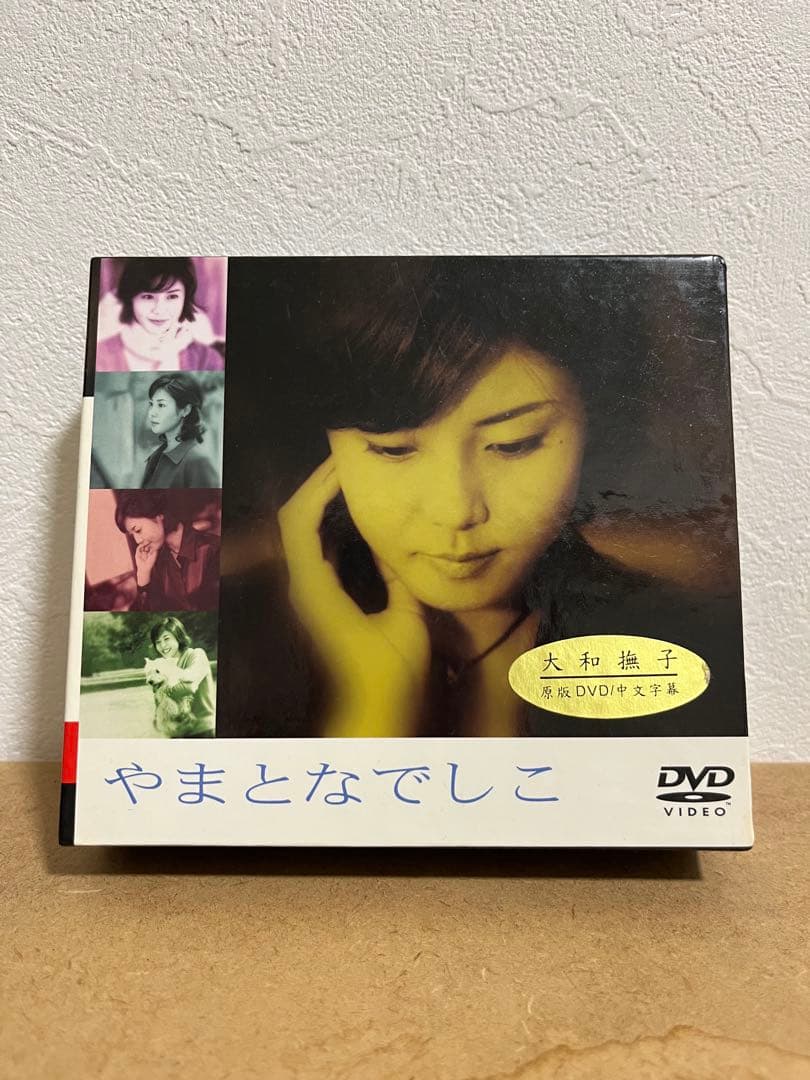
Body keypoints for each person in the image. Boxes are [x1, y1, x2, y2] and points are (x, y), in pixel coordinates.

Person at [216, 257, 747, 740]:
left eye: (514, 444)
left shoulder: (685, 648)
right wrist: (373, 706)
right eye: (394, 449)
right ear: (325, 451)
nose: (456, 510)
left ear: (596, 433)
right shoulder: (210, 644)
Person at [96, 258, 224, 372]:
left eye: (172, 296)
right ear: (130, 299)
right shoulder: (101, 356)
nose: (160, 310)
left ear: (185, 299)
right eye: (148, 297)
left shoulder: (206, 359)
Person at [115, 491, 220, 611]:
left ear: (158, 515)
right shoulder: (156, 562)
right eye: (132, 534)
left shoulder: (214, 549)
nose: (138, 540)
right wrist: (143, 574)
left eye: (138, 530)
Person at [142, 373, 219, 488]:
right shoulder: (155, 458)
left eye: (161, 405)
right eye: (151, 404)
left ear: (185, 410)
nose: (152, 413)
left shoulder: (197, 462)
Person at [148, 617, 216, 737]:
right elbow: (160, 702)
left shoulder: (196, 654)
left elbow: (190, 687)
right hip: (177, 732)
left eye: (166, 639)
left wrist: (161, 691)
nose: (163, 645)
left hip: (202, 730)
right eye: (158, 642)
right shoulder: (163, 665)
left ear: (178, 637)